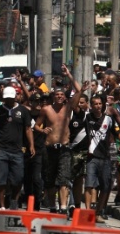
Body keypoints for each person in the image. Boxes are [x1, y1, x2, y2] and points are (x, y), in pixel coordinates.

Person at [33, 64, 79, 215]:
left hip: (64, 148)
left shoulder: (68, 108)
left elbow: (79, 91)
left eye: (62, 95)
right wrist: (42, 130)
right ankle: (53, 206)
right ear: (53, 96)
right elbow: (36, 126)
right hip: (49, 148)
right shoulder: (46, 110)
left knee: (64, 178)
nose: (59, 97)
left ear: (65, 97)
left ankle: (64, 206)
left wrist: (69, 75)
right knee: (50, 180)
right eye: (57, 95)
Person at [0, 87, 34, 210]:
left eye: (10, 98)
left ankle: (14, 200)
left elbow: (28, 129)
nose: (8, 100)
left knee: (18, 178)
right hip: (0, 149)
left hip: (17, 150)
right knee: (0, 179)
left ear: (15, 97)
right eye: (6, 98)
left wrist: (31, 145)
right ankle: (2, 205)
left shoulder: (23, 111)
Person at [85, 95, 120, 223]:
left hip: (106, 157)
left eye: (99, 104)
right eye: (95, 104)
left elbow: (117, 132)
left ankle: (98, 212)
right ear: (91, 106)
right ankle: (87, 214)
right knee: (89, 185)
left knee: (105, 186)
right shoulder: (87, 118)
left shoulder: (108, 119)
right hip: (92, 156)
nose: (98, 106)